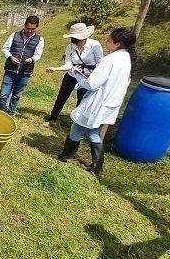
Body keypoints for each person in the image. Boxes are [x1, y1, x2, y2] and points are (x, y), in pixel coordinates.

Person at [55, 27, 137, 175]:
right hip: (110, 102)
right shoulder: (126, 59)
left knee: (78, 127)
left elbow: (92, 84)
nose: (106, 40)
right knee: (92, 131)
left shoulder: (110, 60)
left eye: (109, 39)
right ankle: (96, 165)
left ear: (118, 43)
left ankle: (66, 156)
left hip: (98, 102)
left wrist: (78, 76)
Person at [44, 23, 103, 126]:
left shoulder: (95, 45)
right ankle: (53, 117)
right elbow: (68, 64)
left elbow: (100, 63)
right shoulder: (70, 47)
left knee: (82, 99)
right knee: (62, 96)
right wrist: (56, 68)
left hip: (87, 78)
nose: (74, 41)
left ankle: (76, 122)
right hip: (72, 75)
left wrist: (93, 76)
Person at [0, 15, 45, 116]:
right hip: (10, 71)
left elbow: (38, 55)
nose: (30, 31)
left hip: (25, 72)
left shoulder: (40, 39)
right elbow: (5, 48)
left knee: (16, 96)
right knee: (3, 95)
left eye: (33, 29)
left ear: (37, 27)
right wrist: (10, 57)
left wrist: (32, 59)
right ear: (24, 25)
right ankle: (0, 113)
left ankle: (11, 113)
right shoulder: (14, 35)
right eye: (28, 28)